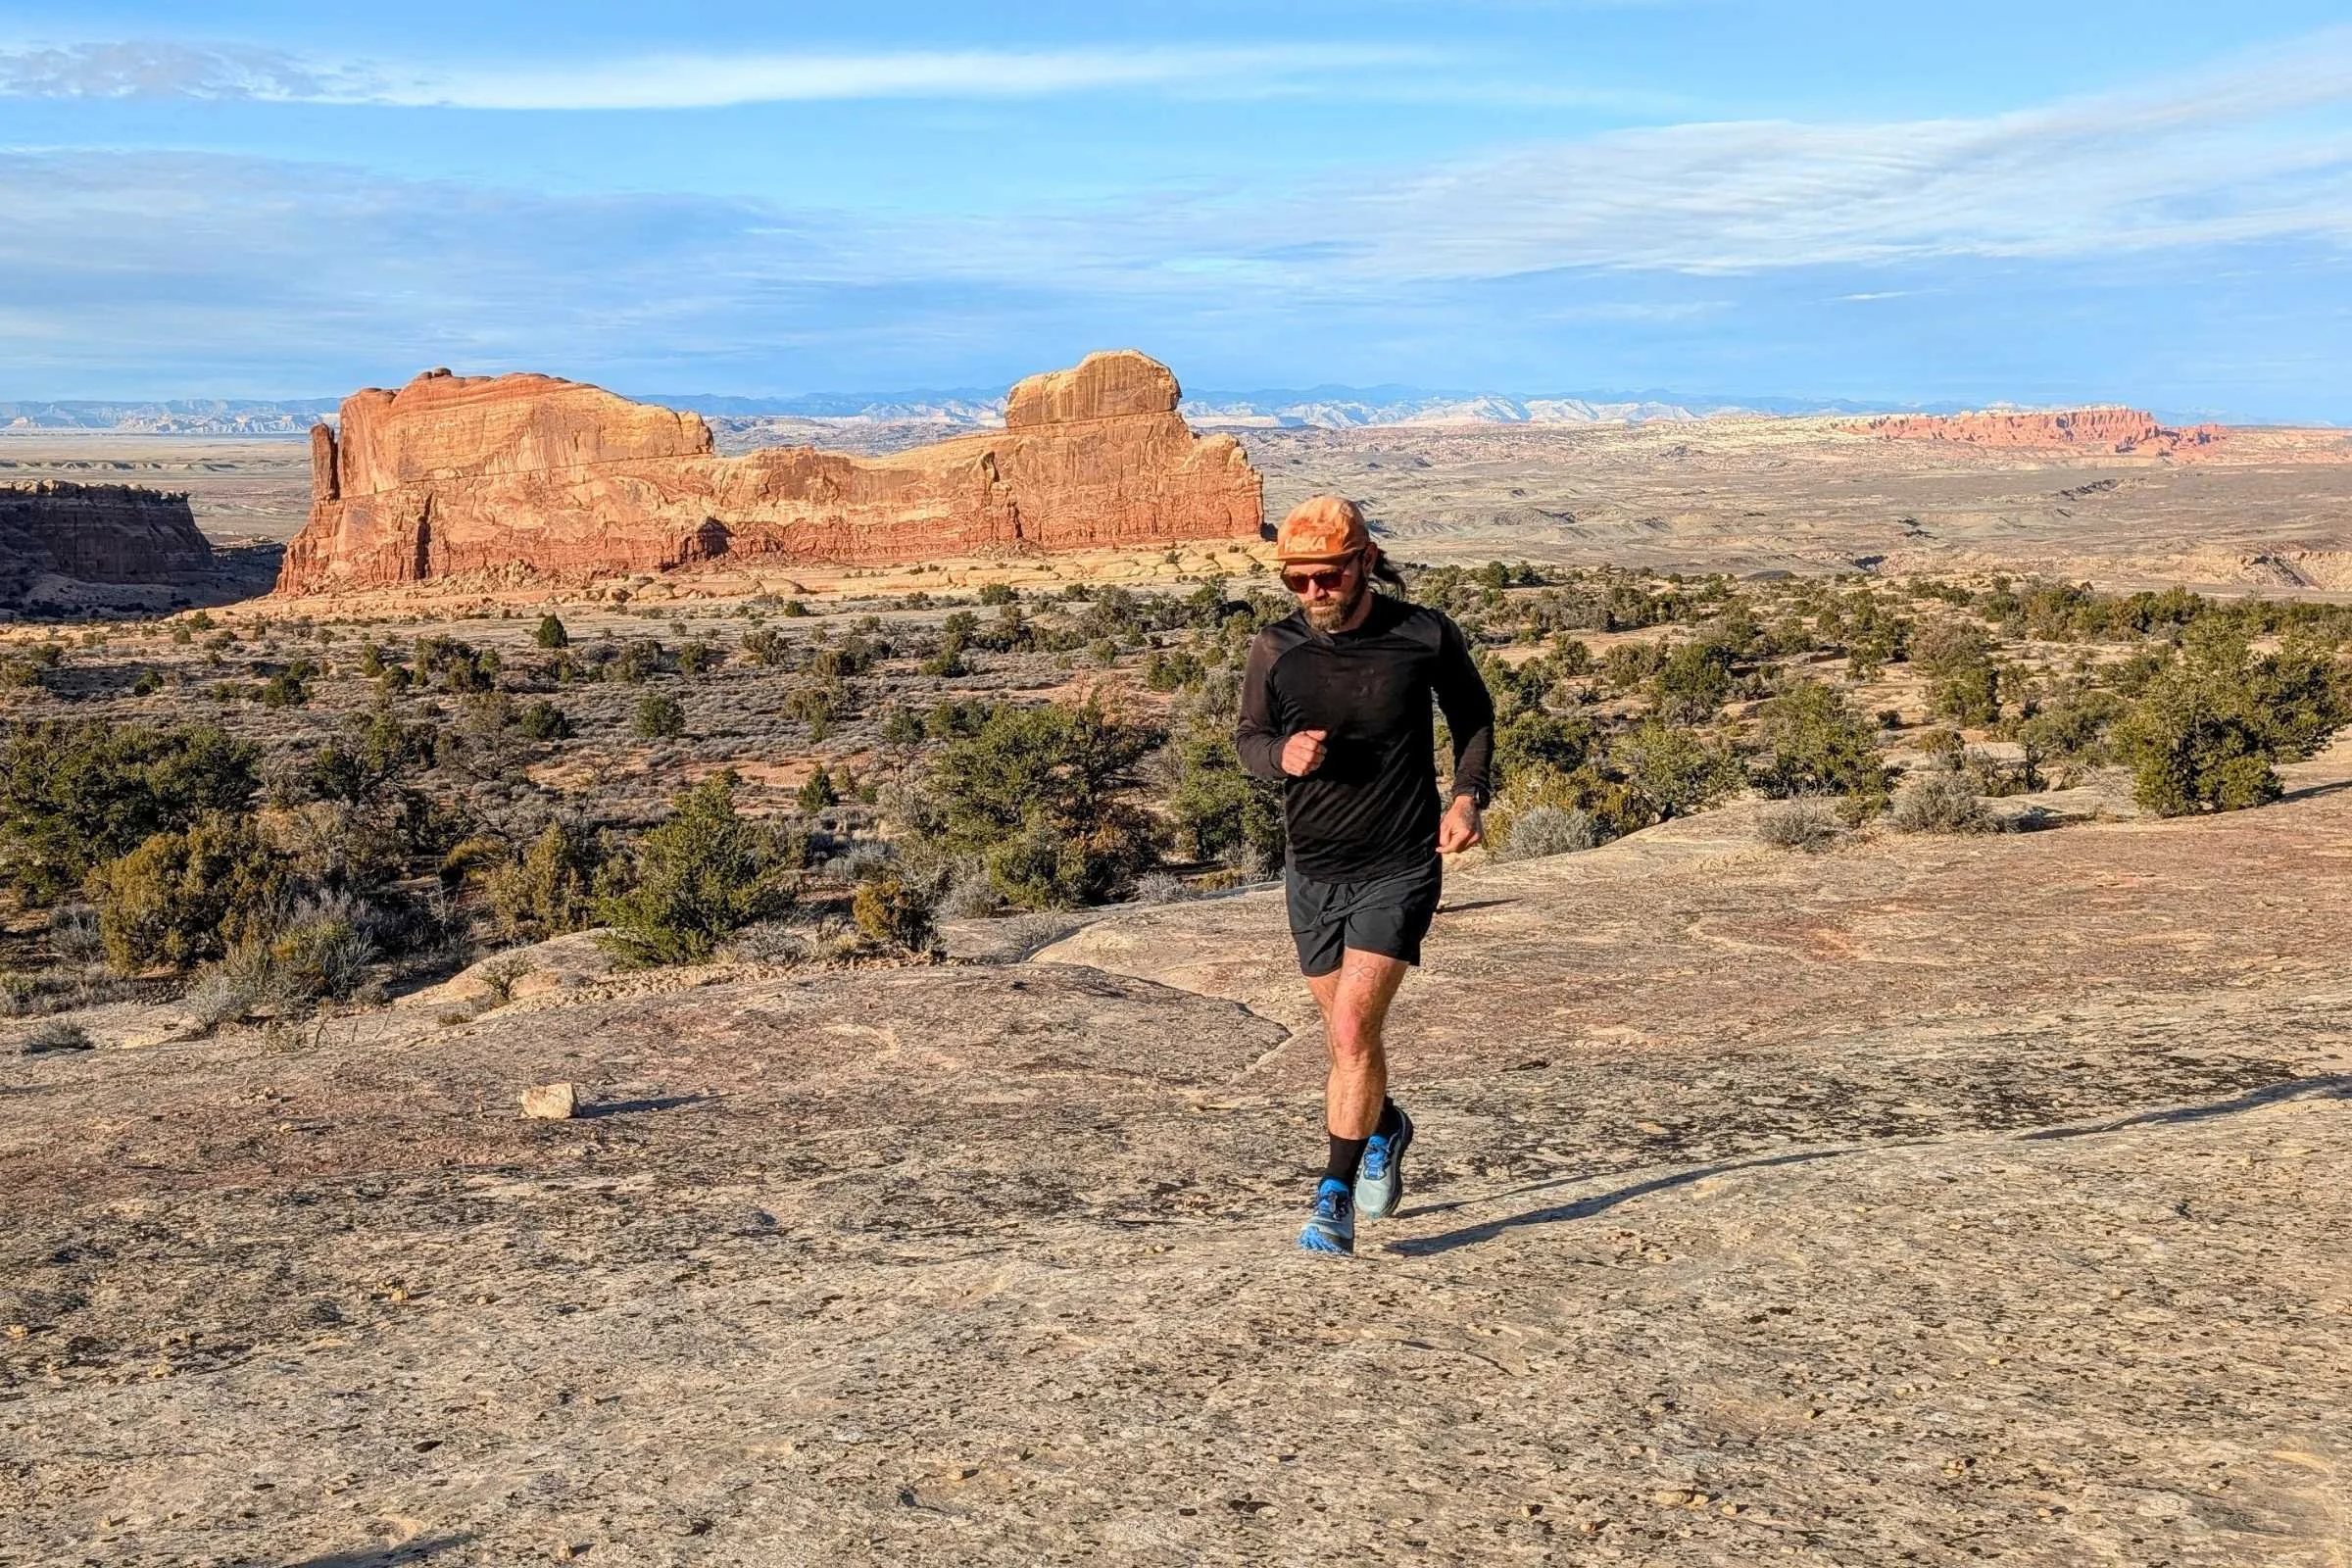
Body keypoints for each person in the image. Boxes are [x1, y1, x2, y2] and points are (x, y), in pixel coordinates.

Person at [1235, 495, 1494, 1257]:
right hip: (1313, 868)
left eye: (1328, 576)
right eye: (1298, 580)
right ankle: (1386, 1125)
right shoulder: (1276, 648)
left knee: (1351, 1029)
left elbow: (1473, 715)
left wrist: (1467, 797)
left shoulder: (1422, 633)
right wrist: (1279, 756)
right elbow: (1248, 738)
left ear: (1365, 562)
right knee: (1346, 1040)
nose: (1314, 592)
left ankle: (1333, 1197)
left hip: (1400, 862)